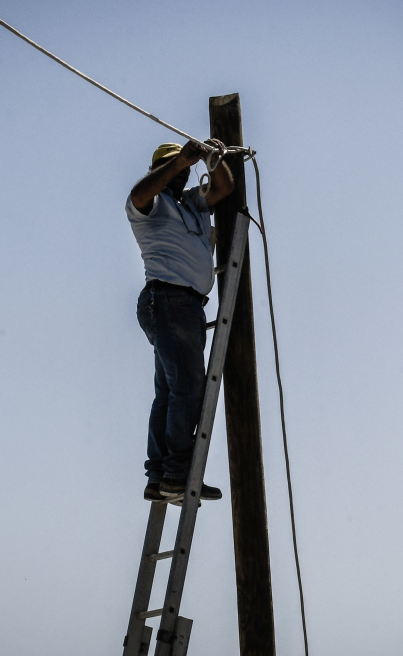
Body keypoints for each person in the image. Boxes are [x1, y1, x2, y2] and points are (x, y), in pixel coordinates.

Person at [127, 139, 235, 502]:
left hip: (181, 303)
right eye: (173, 165)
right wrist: (179, 161)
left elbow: (225, 188)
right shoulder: (151, 203)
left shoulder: (191, 201)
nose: (183, 169)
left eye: (185, 165)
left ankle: (159, 476)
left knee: (170, 391)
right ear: (159, 168)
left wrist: (209, 156)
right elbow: (139, 194)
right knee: (187, 388)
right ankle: (175, 474)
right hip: (169, 299)